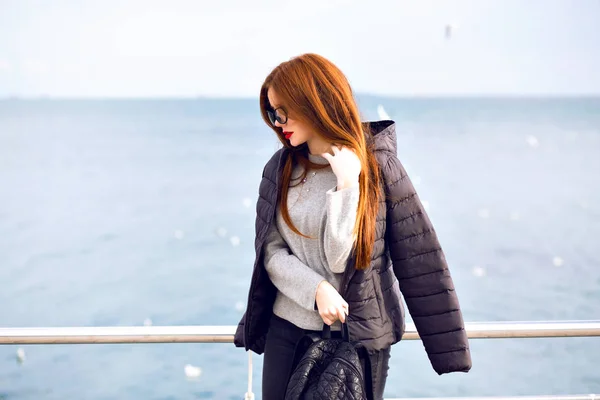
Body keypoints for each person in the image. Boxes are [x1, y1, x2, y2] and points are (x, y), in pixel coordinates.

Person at [234, 53, 472, 400]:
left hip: (356, 339)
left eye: (283, 110)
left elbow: (417, 255)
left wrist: (347, 185)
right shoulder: (280, 168)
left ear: (315, 101)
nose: (277, 121)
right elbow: (270, 252)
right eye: (272, 112)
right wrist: (316, 289)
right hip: (285, 330)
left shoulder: (377, 166)